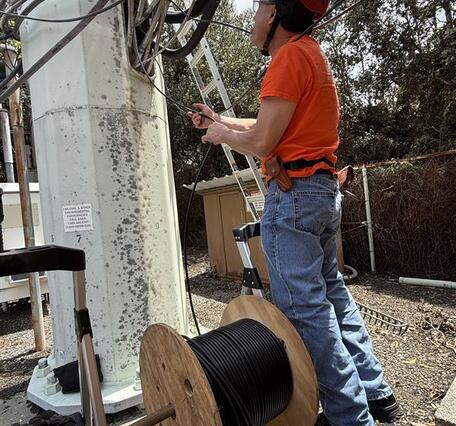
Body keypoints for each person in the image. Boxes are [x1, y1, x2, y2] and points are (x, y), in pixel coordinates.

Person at [189, 0, 402, 424]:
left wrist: (223, 136)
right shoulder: (309, 53)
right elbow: (272, 122)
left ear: (273, 16)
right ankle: (376, 393)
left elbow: (265, 141)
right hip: (320, 194)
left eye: (257, 9)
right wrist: (222, 120)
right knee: (333, 298)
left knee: (308, 312)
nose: (252, 18)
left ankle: (349, 417)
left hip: (294, 200)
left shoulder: (286, 58)